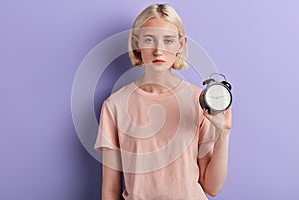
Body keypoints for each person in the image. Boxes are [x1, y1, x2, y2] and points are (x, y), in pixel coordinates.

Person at [94, 4, 232, 200]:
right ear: (136, 43)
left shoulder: (199, 101)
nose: (159, 50)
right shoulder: (115, 105)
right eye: (150, 40)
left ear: (180, 45)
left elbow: (212, 187)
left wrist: (223, 134)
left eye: (168, 41)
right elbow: (110, 190)